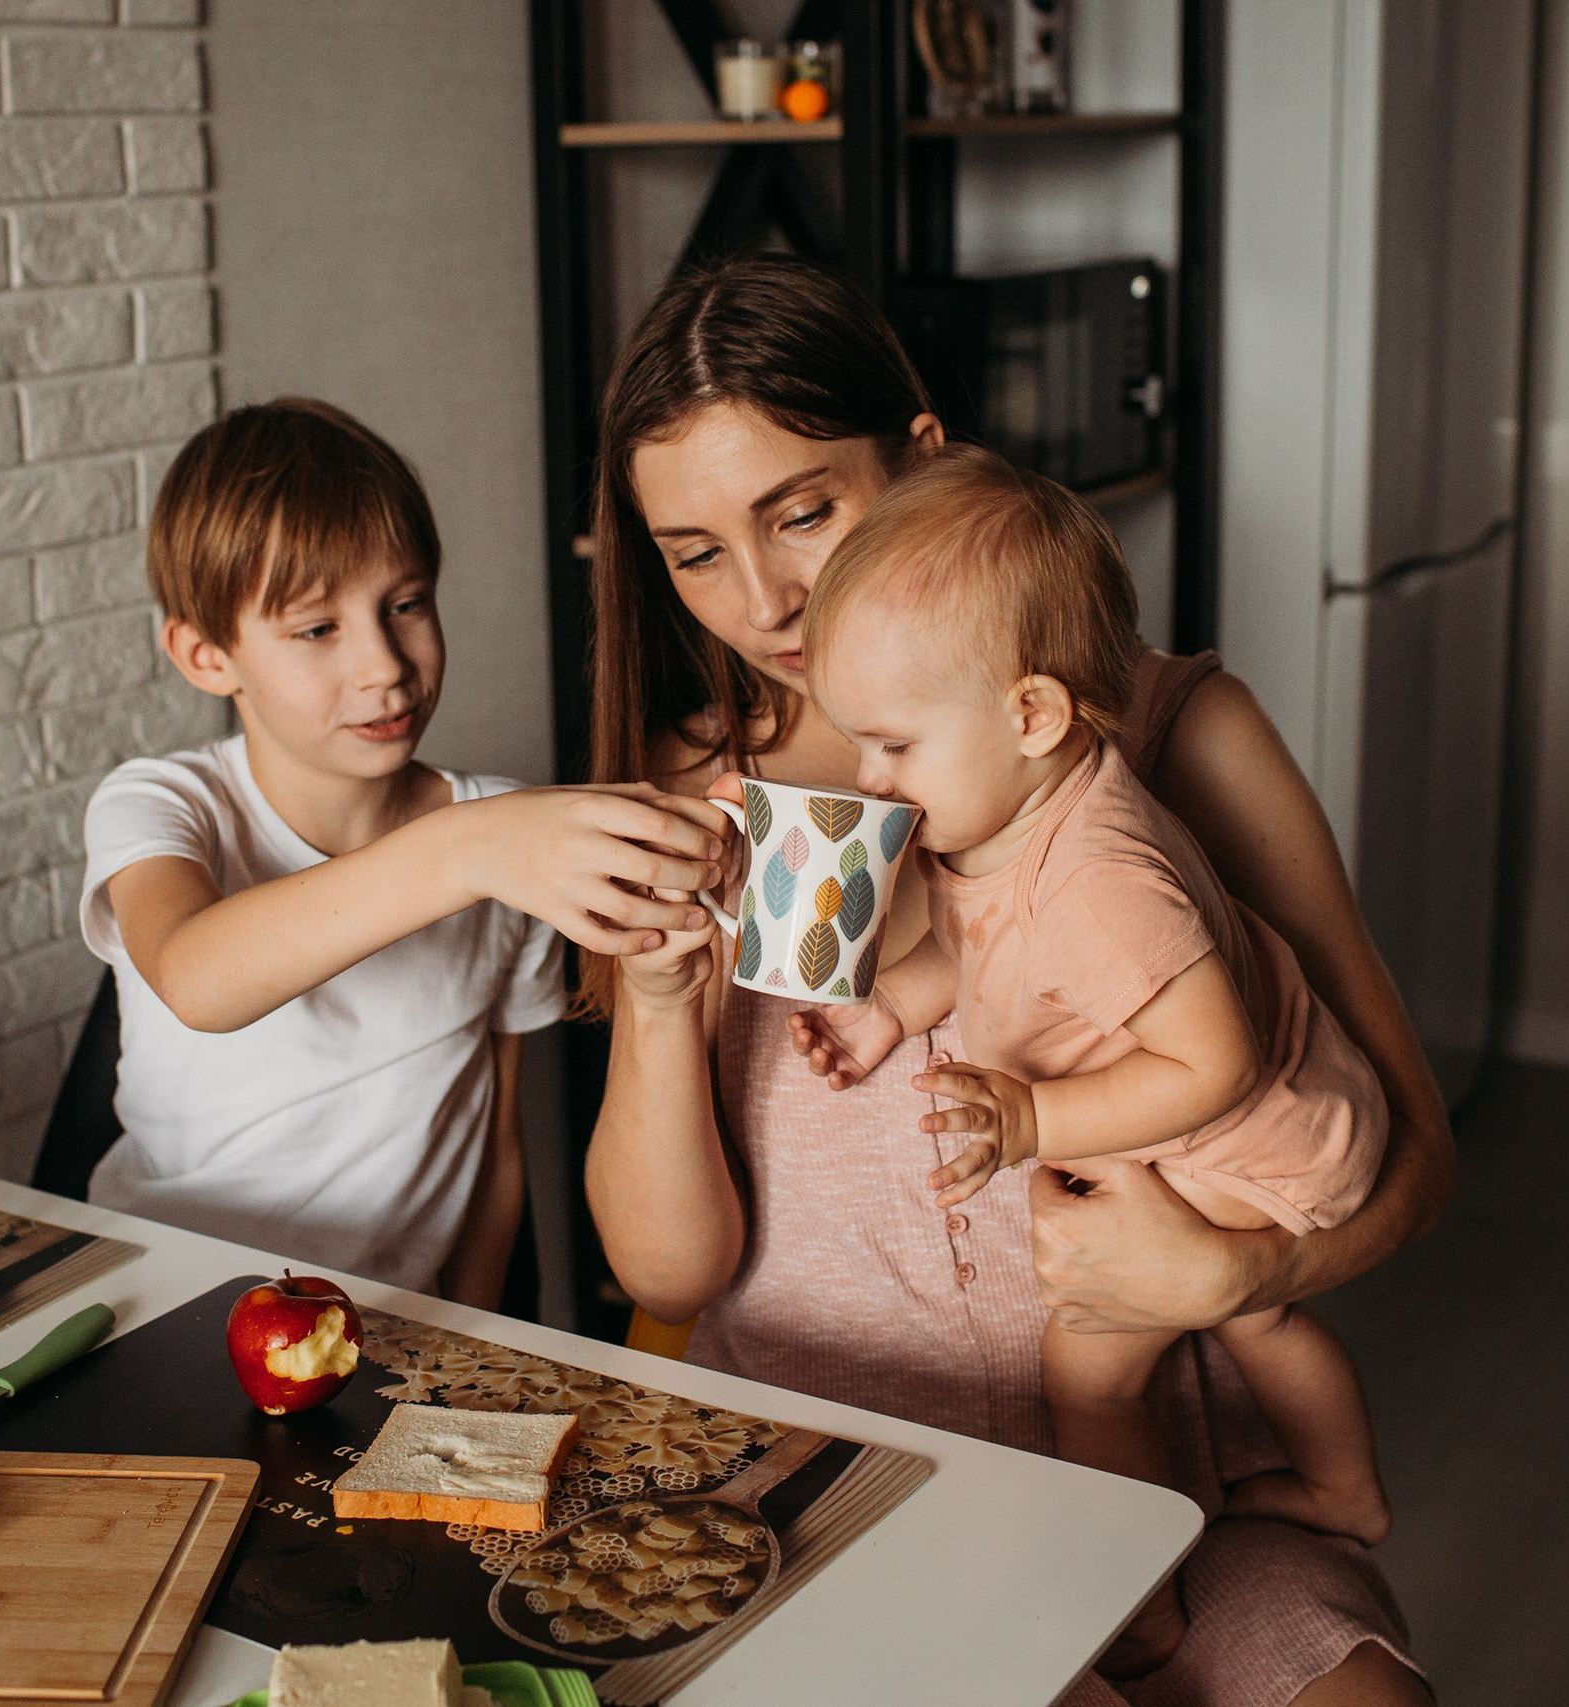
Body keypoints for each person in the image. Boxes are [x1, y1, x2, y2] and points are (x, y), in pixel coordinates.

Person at [580, 255, 1445, 1706]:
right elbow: (670, 1273)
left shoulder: (1165, 737)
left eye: (803, 510)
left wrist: (1249, 1270)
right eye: (695, 550)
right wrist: (662, 999)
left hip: (1175, 1478)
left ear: (926, 457)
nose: (769, 597)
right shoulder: (697, 786)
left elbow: (1412, 1150)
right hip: (830, 1482)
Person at [794, 446, 1393, 1668]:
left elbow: (1213, 1061)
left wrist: (1028, 1123)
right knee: (1244, 1323)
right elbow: (983, 960)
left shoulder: (1100, 876)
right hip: (1216, 1115)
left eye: (894, 746)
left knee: (1123, 1357)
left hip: (1262, 1131)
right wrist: (886, 1013)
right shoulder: (1009, 814)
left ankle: (1151, 1594)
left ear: (1032, 713)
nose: (867, 779)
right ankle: (1333, 1491)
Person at [79, 398, 726, 1304]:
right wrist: (468, 849)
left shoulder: (509, 843)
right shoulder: (166, 802)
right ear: (205, 654)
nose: (383, 662)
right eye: (317, 629)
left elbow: (497, 1145)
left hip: (387, 1334)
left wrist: (465, 1340)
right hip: (162, 1298)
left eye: (407, 603)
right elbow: (196, 977)